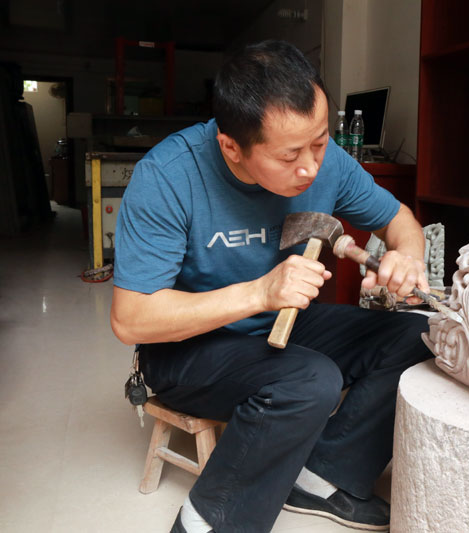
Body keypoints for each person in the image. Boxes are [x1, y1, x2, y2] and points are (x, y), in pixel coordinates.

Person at [110, 39, 432, 533]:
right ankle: (207, 523)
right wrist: (260, 292)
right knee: (310, 381)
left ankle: (323, 477)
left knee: (419, 334)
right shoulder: (168, 177)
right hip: (187, 347)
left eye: (319, 143)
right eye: (289, 156)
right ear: (231, 147)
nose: (311, 168)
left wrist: (407, 256)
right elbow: (131, 319)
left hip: (281, 325)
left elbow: (399, 219)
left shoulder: (325, 161)